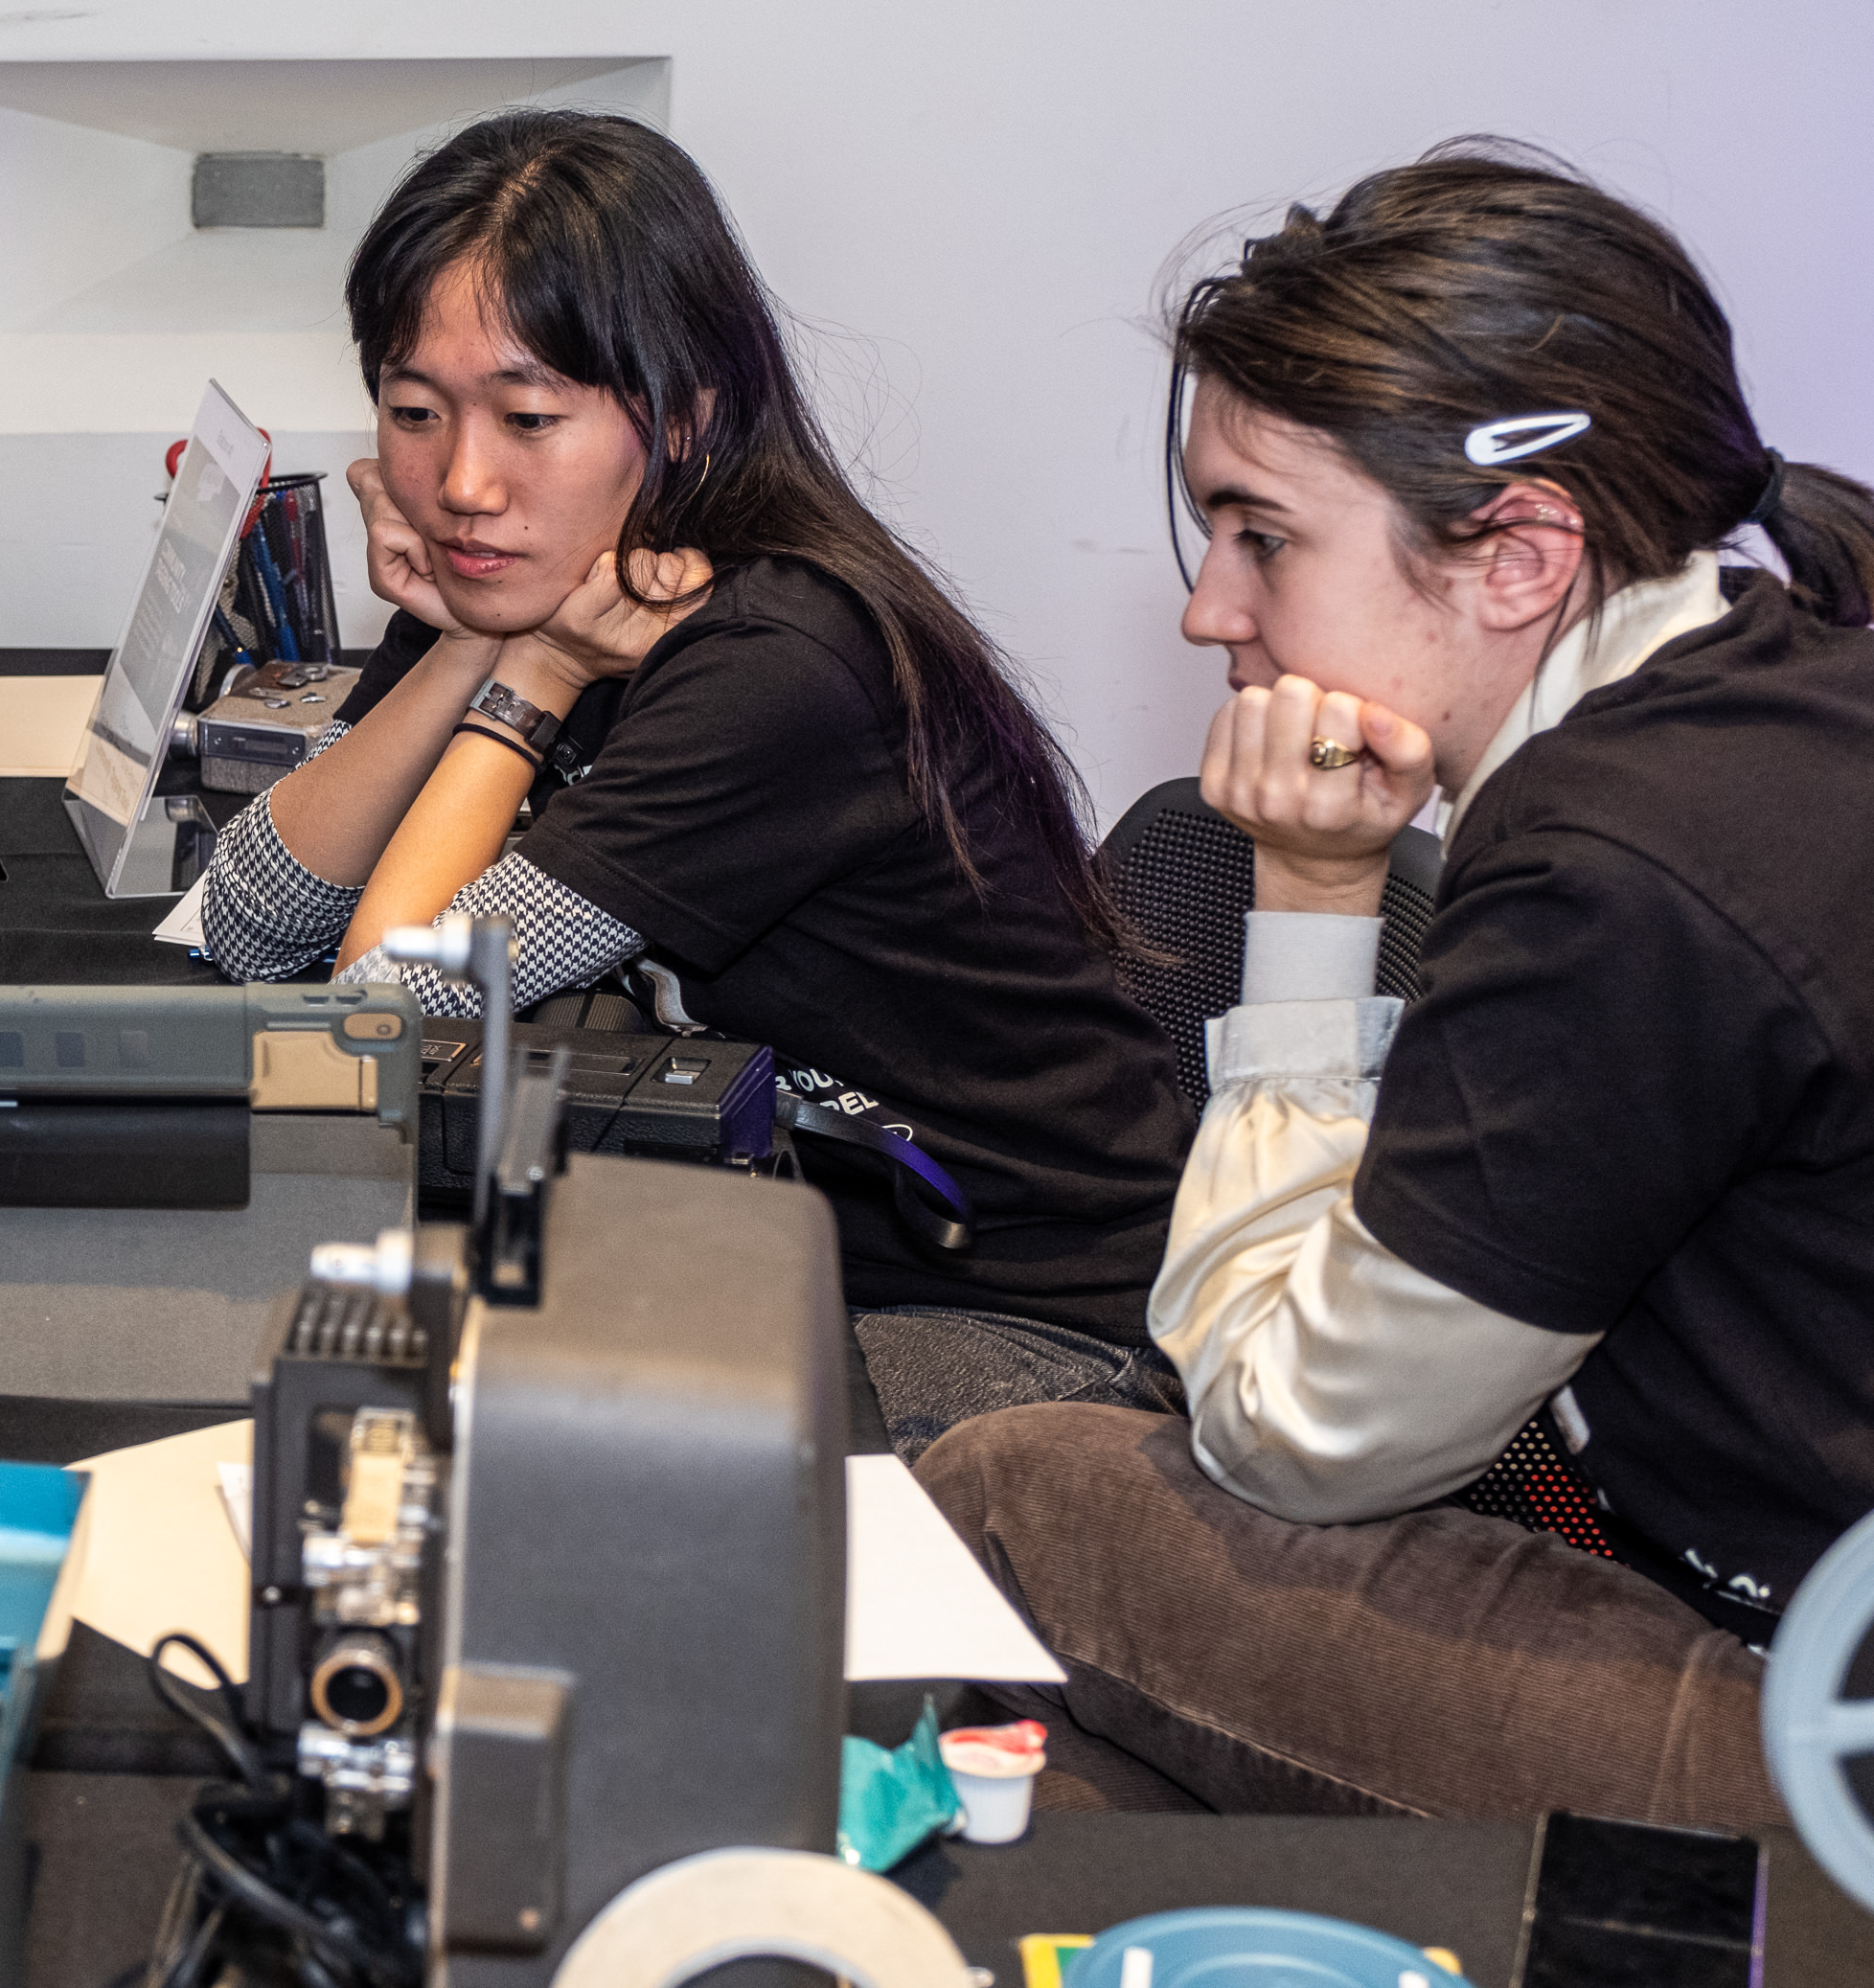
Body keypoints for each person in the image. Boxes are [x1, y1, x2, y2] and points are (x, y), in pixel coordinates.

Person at [918, 143, 1874, 1820]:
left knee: (1015, 1493)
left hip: (1828, 1751)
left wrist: (1309, 886)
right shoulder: (1780, 687)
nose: (1213, 607)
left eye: (1260, 535)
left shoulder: (1617, 866)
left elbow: (1289, 1431)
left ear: (1516, 556)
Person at [200, 111, 1191, 1449]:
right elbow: (254, 927)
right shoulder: (538, 574)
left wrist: (532, 679)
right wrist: (472, 649)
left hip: (1022, 1322)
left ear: (682, 417)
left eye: (530, 417)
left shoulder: (777, 663)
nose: (460, 484)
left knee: (466, 1461)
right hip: (767, 1253)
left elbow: (384, 1015)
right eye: (413, 412)